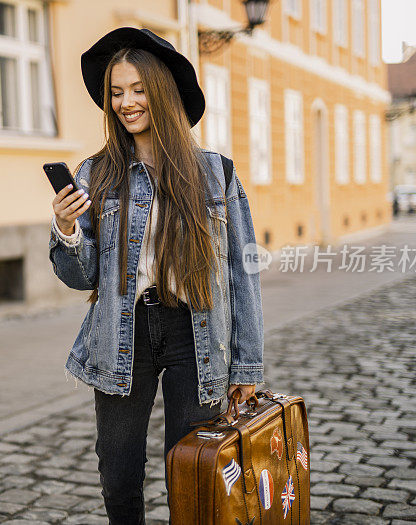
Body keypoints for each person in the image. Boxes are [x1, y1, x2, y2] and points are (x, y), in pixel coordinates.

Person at [47, 27, 264, 523]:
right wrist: (67, 230)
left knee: (191, 474)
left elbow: (242, 274)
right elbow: (81, 279)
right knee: (119, 474)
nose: (126, 103)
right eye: (117, 92)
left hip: (197, 333)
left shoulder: (215, 173)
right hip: (125, 332)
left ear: (162, 92)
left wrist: (248, 366)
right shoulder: (96, 173)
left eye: (138, 90)